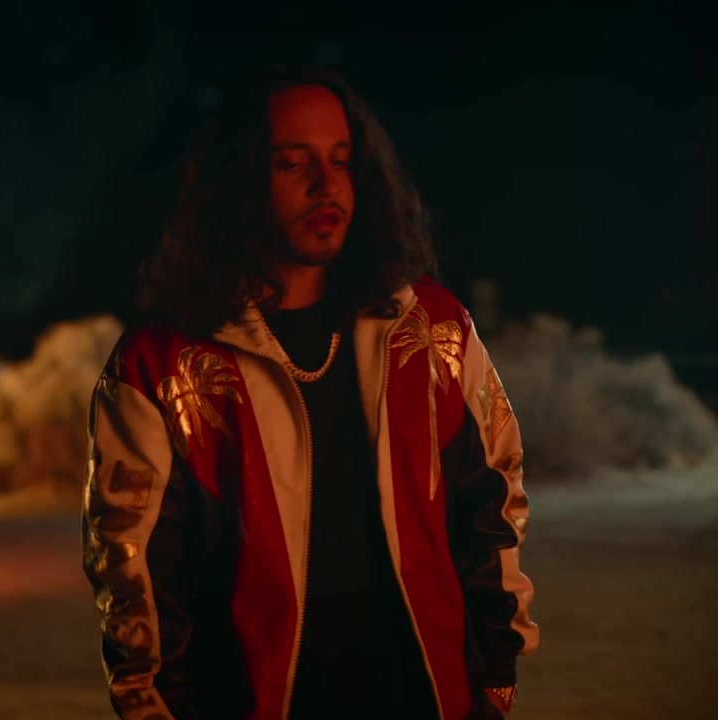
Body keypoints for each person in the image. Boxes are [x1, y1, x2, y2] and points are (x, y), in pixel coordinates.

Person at [80, 64, 538, 720]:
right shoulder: (160, 363)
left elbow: (492, 498)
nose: (327, 185)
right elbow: (135, 571)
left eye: (342, 160)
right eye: (293, 163)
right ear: (239, 179)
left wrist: (495, 669)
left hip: (430, 699)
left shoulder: (432, 328)